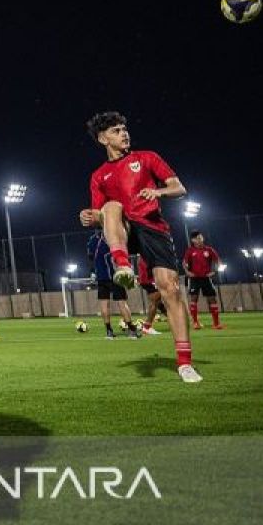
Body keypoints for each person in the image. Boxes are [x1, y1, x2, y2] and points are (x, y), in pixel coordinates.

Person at [78, 111, 201, 383]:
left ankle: (184, 363)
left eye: (125, 129)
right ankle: (122, 263)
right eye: (116, 131)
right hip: (123, 228)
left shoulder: (146, 158)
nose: (124, 133)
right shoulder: (99, 175)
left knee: (169, 289)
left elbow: (179, 188)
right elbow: (102, 215)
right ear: (102, 139)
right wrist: (90, 217)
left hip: (153, 227)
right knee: (110, 207)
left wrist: (158, 192)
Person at [87, 231, 141, 339]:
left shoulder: (92, 240)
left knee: (104, 304)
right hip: (114, 276)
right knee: (122, 303)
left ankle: (109, 331)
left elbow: (90, 257)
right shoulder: (111, 237)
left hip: (101, 277)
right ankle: (131, 330)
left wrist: (93, 271)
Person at [183, 230, 224, 330]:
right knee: (193, 299)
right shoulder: (190, 251)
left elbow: (218, 261)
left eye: (201, 237)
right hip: (194, 279)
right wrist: (188, 272)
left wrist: (214, 272)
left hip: (206, 278)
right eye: (197, 238)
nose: (200, 239)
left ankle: (216, 323)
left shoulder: (209, 250)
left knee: (212, 299)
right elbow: (184, 263)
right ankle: (196, 323)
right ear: (193, 240)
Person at [136, 256, 166, 335]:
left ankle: (173, 319)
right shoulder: (149, 252)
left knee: (157, 301)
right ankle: (147, 327)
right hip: (150, 279)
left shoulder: (144, 253)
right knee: (155, 302)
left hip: (146, 279)